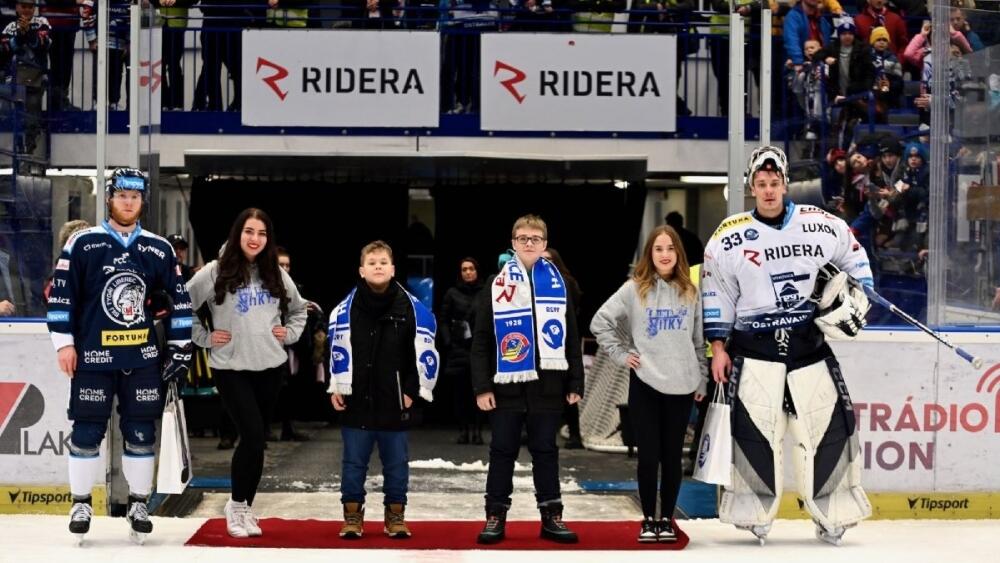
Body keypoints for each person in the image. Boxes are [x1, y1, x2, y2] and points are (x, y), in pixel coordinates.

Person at [702, 145, 874, 546]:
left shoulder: (822, 224)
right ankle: (754, 510)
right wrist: (718, 347)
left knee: (827, 428)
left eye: (774, 183)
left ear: (784, 184)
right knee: (754, 434)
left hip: (808, 348)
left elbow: (857, 263)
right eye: (760, 184)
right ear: (751, 187)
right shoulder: (726, 238)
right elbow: (717, 293)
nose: (767, 190)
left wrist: (854, 295)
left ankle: (834, 512)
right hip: (753, 349)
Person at [46, 167, 193, 544]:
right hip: (93, 358)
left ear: (143, 200)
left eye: (136, 196)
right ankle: (80, 504)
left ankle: (139, 504)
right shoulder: (83, 243)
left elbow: (180, 302)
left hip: (142, 359)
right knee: (86, 430)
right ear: (109, 197)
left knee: (141, 434)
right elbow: (62, 296)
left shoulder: (157, 248)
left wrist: (179, 349)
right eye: (122, 195)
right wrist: (64, 343)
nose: (129, 202)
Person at [186, 208, 308, 538]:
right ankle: (236, 506)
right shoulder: (214, 272)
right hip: (231, 368)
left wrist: (290, 333)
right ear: (238, 233)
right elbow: (181, 305)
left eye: (262, 233)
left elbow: (300, 309)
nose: (255, 239)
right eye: (249, 231)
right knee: (252, 436)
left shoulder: (275, 273)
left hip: (269, 367)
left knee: (257, 444)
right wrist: (204, 337)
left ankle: (245, 507)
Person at [471, 214, 584, 545]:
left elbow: (571, 337)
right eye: (523, 238)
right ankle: (495, 516)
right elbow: (480, 340)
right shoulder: (496, 284)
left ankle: (551, 516)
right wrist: (482, 386)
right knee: (502, 451)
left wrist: (575, 382)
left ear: (545, 243)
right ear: (513, 243)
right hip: (506, 384)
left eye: (535, 238)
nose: (529, 243)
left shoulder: (560, 284)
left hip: (549, 384)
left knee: (546, 451)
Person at [590, 225, 708, 543]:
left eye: (670, 248)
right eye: (658, 249)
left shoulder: (691, 292)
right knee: (649, 455)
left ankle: (666, 519)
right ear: (650, 254)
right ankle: (648, 520)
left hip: (682, 386)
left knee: (672, 456)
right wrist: (620, 353)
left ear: (678, 253)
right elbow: (599, 322)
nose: (665, 254)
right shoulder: (634, 289)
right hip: (645, 383)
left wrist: (702, 379)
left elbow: (699, 342)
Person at [328, 240, 439, 539]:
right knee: (353, 464)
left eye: (383, 262)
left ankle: (395, 516)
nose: (378, 266)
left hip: (395, 401)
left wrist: (412, 391)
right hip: (357, 400)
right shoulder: (343, 311)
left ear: (392, 269)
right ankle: (352, 517)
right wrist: (336, 385)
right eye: (372, 262)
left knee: (396, 465)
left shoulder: (413, 310)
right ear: (361, 270)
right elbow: (336, 353)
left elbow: (423, 354)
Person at [540, 247, 584, 449]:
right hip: (542, 343)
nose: (545, 263)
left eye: (549, 259)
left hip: (563, 340)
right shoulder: (534, 282)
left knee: (569, 391)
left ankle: (575, 434)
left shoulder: (567, 283)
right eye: (542, 259)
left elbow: (573, 312)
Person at [440, 257, 485, 445]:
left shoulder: (485, 292)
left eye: (471, 268)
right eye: (464, 269)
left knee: (480, 391)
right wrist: (449, 341)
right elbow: (442, 318)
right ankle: (463, 430)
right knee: (460, 393)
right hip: (458, 349)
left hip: (479, 349)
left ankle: (477, 431)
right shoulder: (452, 293)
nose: (468, 272)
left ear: (477, 271)